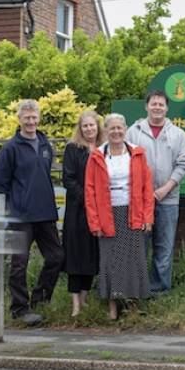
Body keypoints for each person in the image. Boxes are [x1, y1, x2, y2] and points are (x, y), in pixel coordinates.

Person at [0, 99, 65, 326]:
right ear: (19, 119)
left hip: (45, 213)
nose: (31, 122)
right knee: (19, 264)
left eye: (34, 117)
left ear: (39, 118)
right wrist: (9, 212)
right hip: (22, 216)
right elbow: (1, 184)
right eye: (27, 118)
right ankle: (19, 309)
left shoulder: (45, 145)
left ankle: (39, 301)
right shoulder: (10, 148)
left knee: (57, 257)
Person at [85, 113, 154, 321]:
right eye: (112, 128)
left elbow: (146, 188)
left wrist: (147, 217)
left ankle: (133, 305)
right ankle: (113, 306)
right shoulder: (96, 156)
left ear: (125, 130)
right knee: (110, 260)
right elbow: (89, 192)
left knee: (134, 259)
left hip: (133, 213)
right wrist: (95, 223)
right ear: (105, 131)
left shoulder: (137, 154)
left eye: (119, 128)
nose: (116, 132)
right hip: (107, 215)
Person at [125, 90, 185, 295]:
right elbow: (124, 162)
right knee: (138, 247)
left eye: (161, 104)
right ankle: (138, 290)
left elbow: (183, 164)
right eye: (153, 104)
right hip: (139, 202)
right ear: (146, 106)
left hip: (168, 200)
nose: (157, 107)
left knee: (164, 248)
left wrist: (165, 189)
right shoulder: (133, 132)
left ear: (167, 108)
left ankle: (160, 291)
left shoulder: (178, 134)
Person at [62, 110, 104, 317]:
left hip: (99, 211)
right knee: (76, 255)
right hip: (78, 210)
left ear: (98, 127)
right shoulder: (73, 148)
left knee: (91, 254)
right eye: (85, 126)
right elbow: (68, 179)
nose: (89, 129)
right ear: (80, 128)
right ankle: (75, 304)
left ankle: (85, 299)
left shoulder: (104, 148)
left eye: (92, 125)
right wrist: (87, 200)